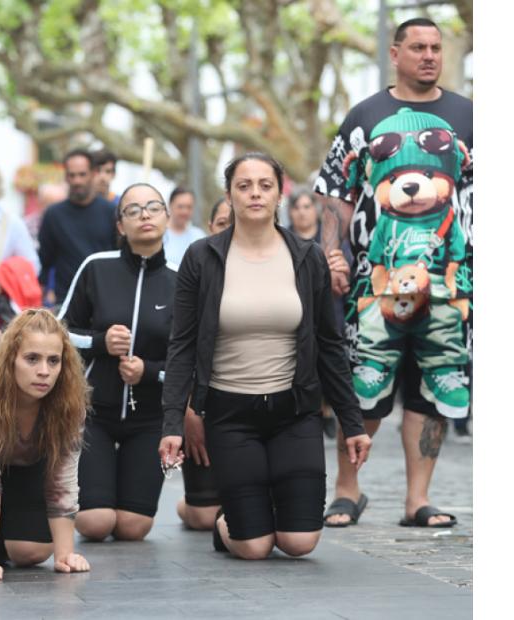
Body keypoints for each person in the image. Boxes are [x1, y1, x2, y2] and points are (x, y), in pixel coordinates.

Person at [160, 153, 371, 560]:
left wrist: (352, 422)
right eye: (244, 185)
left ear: (279, 193)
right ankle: (230, 523)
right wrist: (173, 421)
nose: (255, 193)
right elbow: (182, 345)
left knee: (299, 542)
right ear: (230, 195)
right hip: (230, 416)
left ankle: (269, 505)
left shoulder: (307, 257)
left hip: (294, 414)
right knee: (254, 547)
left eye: (265, 185)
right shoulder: (202, 258)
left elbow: (330, 344)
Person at [313, 17, 472, 528]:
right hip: (372, 283)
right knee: (365, 385)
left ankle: (417, 499)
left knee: (432, 386)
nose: (429, 55)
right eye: (418, 47)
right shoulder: (365, 116)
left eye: (436, 48)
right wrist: (333, 255)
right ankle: (346, 490)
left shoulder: (469, 117)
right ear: (395, 53)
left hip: (449, 285)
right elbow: (335, 194)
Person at [58, 183, 177, 541]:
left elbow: (191, 362)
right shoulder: (96, 268)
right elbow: (57, 333)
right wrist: (100, 341)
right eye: (133, 210)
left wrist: (150, 371)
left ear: (167, 219)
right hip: (94, 411)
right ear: (120, 225)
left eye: (154, 207)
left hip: (150, 418)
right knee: (96, 524)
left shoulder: (182, 281)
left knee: (132, 527)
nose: (144, 215)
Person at [0, 309, 91, 581]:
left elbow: (62, 482)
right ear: (11, 358)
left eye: (53, 360)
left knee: (31, 551)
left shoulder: (70, 401)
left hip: (26, 460)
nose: (44, 371)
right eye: (32, 359)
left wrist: (65, 555)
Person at [287, 190, 345, 439]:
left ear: (315, 210)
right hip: (294, 310)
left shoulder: (330, 238)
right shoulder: (281, 238)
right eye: (297, 207)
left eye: (306, 206)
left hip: (330, 308)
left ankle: (329, 409)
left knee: (330, 358)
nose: (302, 212)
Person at [37, 149, 117, 305]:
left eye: (82, 174)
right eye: (72, 175)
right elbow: (45, 260)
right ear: (66, 176)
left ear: (93, 173)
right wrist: (44, 293)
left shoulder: (111, 212)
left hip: (105, 299)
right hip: (65, 300)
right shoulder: (53, 215)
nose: (77, 181)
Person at [162, 186, 207, 265]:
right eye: (180, 207)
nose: (185, 211)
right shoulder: (159, 235)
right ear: (170, 206)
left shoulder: (199, 236)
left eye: (189, 207)